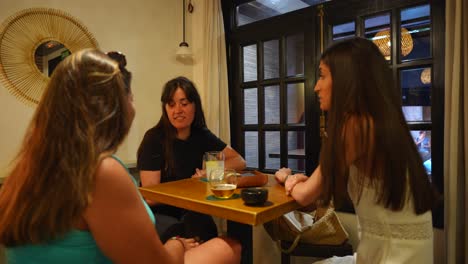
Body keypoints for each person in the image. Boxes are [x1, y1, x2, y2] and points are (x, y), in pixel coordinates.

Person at [0, 49, 241, 264]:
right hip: (167, 225)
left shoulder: (24, 170)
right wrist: (177, 244)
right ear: (115, 106)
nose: (177, 110)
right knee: (230, 246)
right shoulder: (102, 171)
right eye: (131, 96)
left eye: (184, 103)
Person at [275, 37, 436, 263]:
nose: (315, 86)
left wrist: (287, 179)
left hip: (394, 257)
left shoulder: (356, 126)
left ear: (346, 79)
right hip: (395, 251)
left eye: (322, 75)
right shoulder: (378, 122)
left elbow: (305, 195)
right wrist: (300, 184)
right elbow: (319, 193)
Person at [137, 76, 246, 243]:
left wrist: (207, 172)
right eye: (171, 104)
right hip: (159, 214)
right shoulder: (154, 138)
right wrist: (192, 186)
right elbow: (152, 197)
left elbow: (239, 161)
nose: (177, 110)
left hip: (190, 210)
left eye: (184, 103)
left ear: (195, 105)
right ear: (165, 108)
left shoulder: (201, 135)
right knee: (186, 229)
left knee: (210, 228)